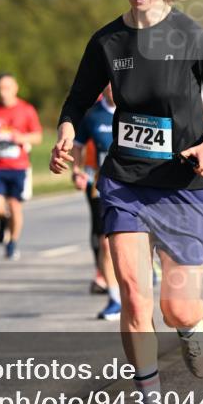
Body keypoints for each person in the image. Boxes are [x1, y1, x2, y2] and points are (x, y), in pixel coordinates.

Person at [50, 0, 203, 404]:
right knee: (135, 297)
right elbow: (77, 99)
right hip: (126, 181)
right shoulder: (107, 41)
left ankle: (192, 323)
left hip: (182, 183)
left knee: (176, 306)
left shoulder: (188, 34)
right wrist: (66, 131)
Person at [0, 73, 42, 261]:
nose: (2, 92)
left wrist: (22, 138)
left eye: (6, 88)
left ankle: (12, 242)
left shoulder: (26, 110)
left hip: (19, 167)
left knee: (15, 206)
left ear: (15, 88)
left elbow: (37, 136)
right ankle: (3, 220)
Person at [71, 85, 121, 319]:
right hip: (101, 185)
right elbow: (78, 144)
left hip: (134, 185)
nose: (114, 89)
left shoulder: (137, 109)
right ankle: (114, 297)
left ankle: (147, 270)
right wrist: (77, 170)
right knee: (105, 242)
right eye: (109, 85)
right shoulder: (93, 116)